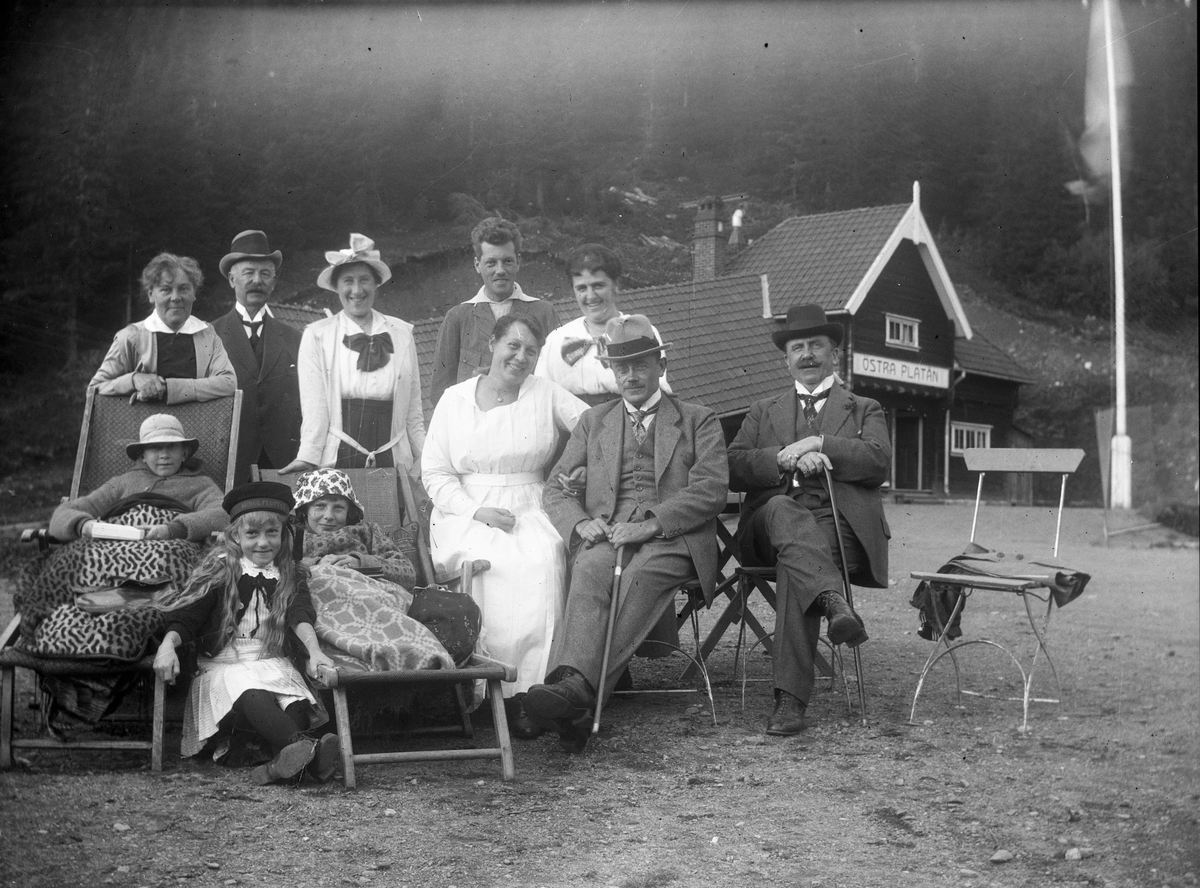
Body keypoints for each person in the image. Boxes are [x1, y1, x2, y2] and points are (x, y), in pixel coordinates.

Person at [526, 315, 728, 753]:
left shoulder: (698, 420)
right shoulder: (593, 421)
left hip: (673, 538)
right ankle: (575, 698)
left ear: (660, 365)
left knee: (640, 577)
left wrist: (652, 523)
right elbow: (554, 488)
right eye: (621, 369)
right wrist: (581, 522)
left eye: (640, 365)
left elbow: (711, 490)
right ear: (612, 374)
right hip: (610, 534)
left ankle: (576, 691)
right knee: (588, 569)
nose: (631, 376)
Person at [727, 304, 890, 737]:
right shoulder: (763, 410)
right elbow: (733, 465)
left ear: (834, 353)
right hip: (768, 524)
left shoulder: (865, 408)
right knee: (784, 513)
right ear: (786, 359)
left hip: (837, 526)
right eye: (797, 348)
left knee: (798, 564)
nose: (807, 355)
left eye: (816, 345)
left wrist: (821, 443)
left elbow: (878, 461)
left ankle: (790, 700)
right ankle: (835, 602)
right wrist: (781, 458)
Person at [422, 315, 586, 737]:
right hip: (466, 510)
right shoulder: (455, 399)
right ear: (493, 344)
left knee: (544, 558)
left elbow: (597, 427)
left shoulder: (545, 392)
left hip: (532, 504)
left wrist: (579, 466)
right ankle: (481, 687)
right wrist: (476, 511)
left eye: (531, 350)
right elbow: (435, 472)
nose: (520, 357)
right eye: (513, 345)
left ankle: (530, 695)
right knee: (492, 565)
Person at [14, 415, 228, 735]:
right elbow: (64, 514)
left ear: (185, 452)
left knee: (163, 568)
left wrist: (174, 528)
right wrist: (84, 525)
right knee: (70, 564)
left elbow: (223, 513)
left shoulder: (201, 485)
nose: (163, 455)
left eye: (171, 447)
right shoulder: (122, 483)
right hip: (110, 551)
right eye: (154, 448)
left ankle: (118, 621)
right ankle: (84, 617)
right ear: (142, 454)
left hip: (164, 551)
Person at [152, 482, 341, 786]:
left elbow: (300, 614)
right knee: (251, 689)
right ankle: (312, 755)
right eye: (252, 534)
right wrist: (167, 646)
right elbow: (188, 617)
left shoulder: (289, 573)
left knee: (294, 702)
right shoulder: (222, 570)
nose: (263, 543)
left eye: (272, 533)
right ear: (236, 536)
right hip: (225, 666)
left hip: (270, 660)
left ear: (284, 535)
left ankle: (280, 766)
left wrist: (315, 651)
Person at [291, 468, 460, 673]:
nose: (328, 516)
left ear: (349, 511)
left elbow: (407, 572)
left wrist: (361, 563)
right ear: (305, 509)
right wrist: (316, 564)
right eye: (319, 506)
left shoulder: (368, 532)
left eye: (338, 508)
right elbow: (280, 571)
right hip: (325, 601)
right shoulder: (295, 537)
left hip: (373, 596)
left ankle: (407, 653)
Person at [281, 234, 424, 473]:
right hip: (339, 458)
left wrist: (426, 457)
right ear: (337, 287)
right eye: (348, 281)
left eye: (364, 280)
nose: (357, 290)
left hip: (394, 459)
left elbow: (413, 410)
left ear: (376, 283)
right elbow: (314, 407)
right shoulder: (317, 335)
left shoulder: (402, 333)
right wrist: (307, 456)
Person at [429, 217, 559, 406]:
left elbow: (558, 382)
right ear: (477, 264)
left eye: (507, 261)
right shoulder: (458, 317)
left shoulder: (544, 313)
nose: (500, 270)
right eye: (491, 263)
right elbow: (440, 394)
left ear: (518, 262)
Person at [210, 230, 304, 483]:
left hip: (283, 464)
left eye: (265, 274)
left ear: (274, 282)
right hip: (228, 461)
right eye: (248, 273)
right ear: (232, 280)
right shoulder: (209, 336)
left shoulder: (296, 338)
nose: (257, 281)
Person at [90, 253, 236, 404]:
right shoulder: (131, 337)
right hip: (143, 420)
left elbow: (229, 382)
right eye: (166, 289)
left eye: (184, 289)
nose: (176, 297)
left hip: (199, 420)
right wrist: (134, 379)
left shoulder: (207, 335)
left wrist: (171, 388)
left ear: (194, 294)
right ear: (151, 295)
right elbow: (95, 388)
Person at [535, 243, 670, 406]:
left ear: (616, 286)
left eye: (598, 285)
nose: (590, 296)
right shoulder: (557, 339)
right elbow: (541, 397)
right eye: (581, 288)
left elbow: (657, 395)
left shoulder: (640, 331)